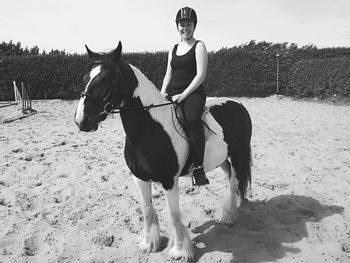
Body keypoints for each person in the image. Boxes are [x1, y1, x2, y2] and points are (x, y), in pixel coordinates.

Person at [160, 6, 209, 186]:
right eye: (182, 24)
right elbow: (168, 74)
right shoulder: (173, 48)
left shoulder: (199, 46)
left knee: (191, 119)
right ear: (177, 26)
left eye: (188, 24)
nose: (185, 28)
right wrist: (163, 92)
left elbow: (200, 76)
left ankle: (198, 167)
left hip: (193, 94)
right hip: (174, 95)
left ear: (194, 26)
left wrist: (184, 95)